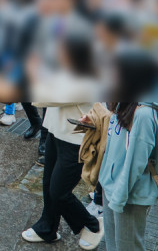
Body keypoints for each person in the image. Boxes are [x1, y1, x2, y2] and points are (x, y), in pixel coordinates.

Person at [22, 35, 102, 248]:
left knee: (59, 191)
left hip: (77, 139)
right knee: (48, 184)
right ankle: (47, 228)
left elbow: (53, 95)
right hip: (56, 130)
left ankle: (92, 224)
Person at [98, 53, 158, 251]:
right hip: (111, 187)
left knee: (128, 247)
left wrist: (118, 199)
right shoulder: (124, 101)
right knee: (114, 246)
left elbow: (135, 163)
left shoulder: (143, 114)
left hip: (128, 196)